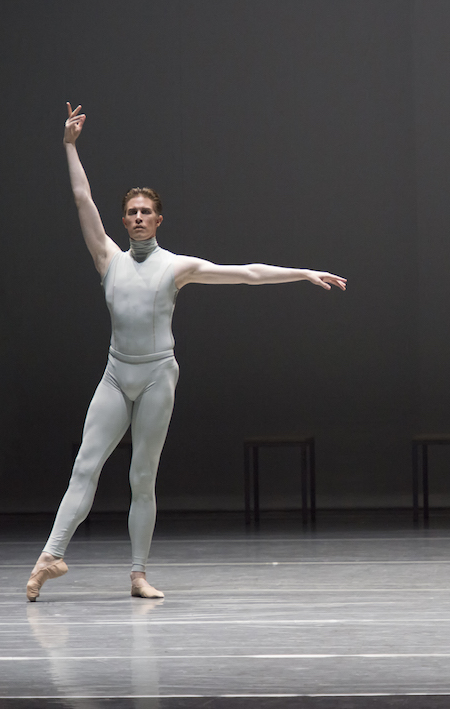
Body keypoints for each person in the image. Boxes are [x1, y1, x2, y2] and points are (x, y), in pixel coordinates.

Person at [26, 104, 346, 602]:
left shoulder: (177, 267)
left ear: (158, 219)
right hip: (115, 375)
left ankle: (137, 574)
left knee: (142, 476)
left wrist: (302, 272)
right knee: (86, 465)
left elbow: (247, 273)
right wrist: (69, 144)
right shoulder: (106, 257)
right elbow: (81, 196)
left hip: (157, 378)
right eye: (130, 212)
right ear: (124, 219)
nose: (136, 218)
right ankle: (51, 555)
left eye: (144, 212)